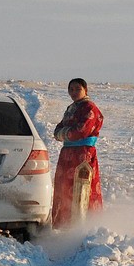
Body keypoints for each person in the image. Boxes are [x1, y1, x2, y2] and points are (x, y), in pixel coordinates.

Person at [50, 77, 104, 227]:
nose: (74, 92)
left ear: (85, 90)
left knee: (81, 187)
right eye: (71, 90)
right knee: (65, 187)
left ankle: (83, 226)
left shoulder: (90, 108)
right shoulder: (71, 108)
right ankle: (64, 224)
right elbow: (57, 131)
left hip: (82, 154)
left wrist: (64, 133)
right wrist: (65, 133)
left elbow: (81, 131)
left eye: (77, 89)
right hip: (67, 154)